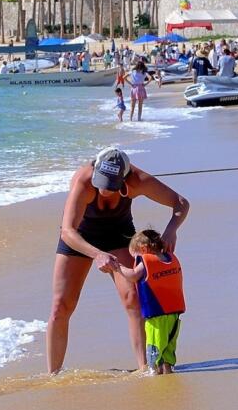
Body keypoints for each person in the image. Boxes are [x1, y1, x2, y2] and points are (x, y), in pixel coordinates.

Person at [48, 147, 190, 375]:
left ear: (125, 178)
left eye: (111, 186)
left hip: (118, 235)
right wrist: (97, 254)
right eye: (101, 183)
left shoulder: (138, 180)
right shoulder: (83, 182)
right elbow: (67, 232)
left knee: (133, 298)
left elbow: (181, 203)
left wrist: (171, 231)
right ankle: (53, 375)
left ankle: (146, 368)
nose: (104, 191)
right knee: (60, 307)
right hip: (79, 238)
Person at [116, 229, 186, 375]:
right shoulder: (169, 258)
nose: (135, 260)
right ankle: (167, 369)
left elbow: (134, 275)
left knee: (155, 346)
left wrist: (117, 267)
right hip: (174, 315)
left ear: (143, 249)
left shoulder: (146, 260)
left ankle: (153, 373)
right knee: (168, 346)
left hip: (156, 316)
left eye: (135, 256)